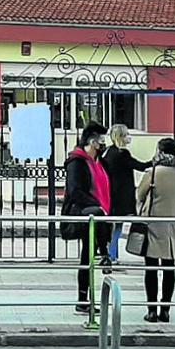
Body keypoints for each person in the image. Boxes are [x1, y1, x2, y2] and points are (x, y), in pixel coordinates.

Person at [134, 138, 175, 322]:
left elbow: (140, 194)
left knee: (151, 268)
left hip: (154, 223)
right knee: (169, 268)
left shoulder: (153, 172)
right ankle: (165, 310)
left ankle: (151, 310)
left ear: (160, 152)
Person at [64, 122, 111, 315]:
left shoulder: (99, 162)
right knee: (87, 258)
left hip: (98, 216)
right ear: (92, 142)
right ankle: (105, 254)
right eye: (101, 141)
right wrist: (97, 206)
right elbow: (75, 191)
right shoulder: (77, 162)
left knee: (87, 256)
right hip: (83, 214)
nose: (103, 145)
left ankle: (84, 300)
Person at [100, 124, 151, 263]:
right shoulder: (122, 154)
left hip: (110, 195)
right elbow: (140, 166)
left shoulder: (108, 152)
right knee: (117, 227)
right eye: (127, 134)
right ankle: (111, 255)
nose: (129, 137)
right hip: (121, 197)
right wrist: (155, 161)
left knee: (113, 226)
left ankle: (112, 254)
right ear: (121, 137)